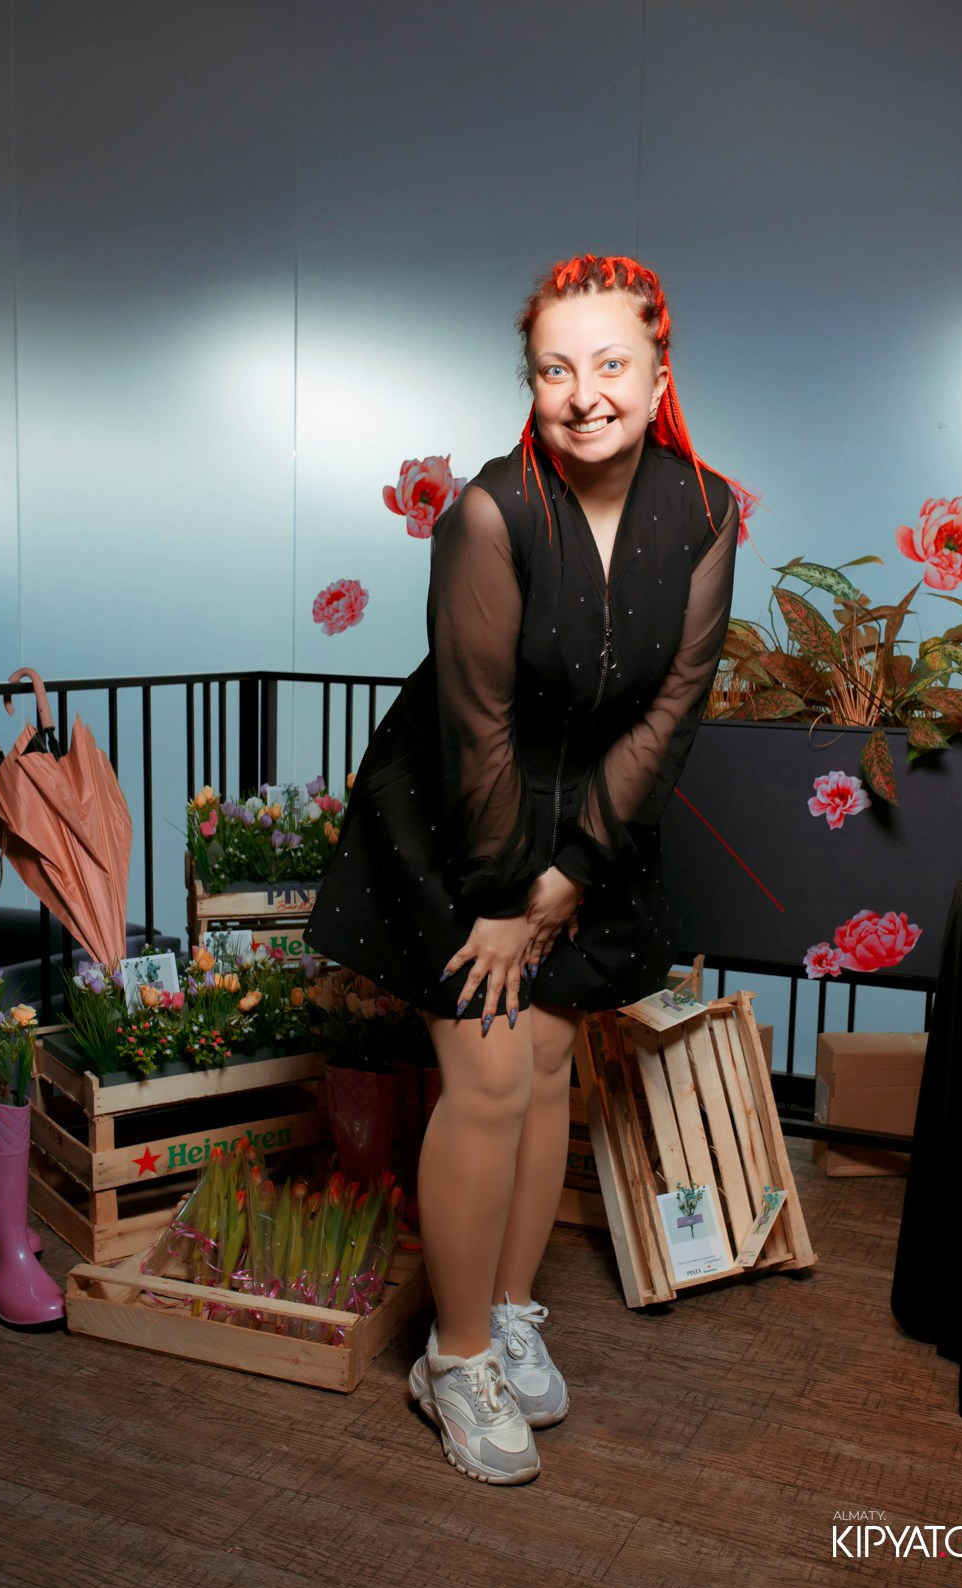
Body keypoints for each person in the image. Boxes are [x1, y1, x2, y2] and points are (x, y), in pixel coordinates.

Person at [305, 253, 741, 1486]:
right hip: (460, 807)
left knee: (549, 1065)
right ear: (530, 382)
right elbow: (476, 730)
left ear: (658, 373)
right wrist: (507, 899)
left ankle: (504, 1310)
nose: (583, 393)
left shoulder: (706, 510)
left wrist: (570, 878)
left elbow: (671, 709)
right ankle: (449, 1359)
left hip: (593, 817)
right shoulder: (488, 513)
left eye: (609, 363)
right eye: (555, 368)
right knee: (490, 1077)